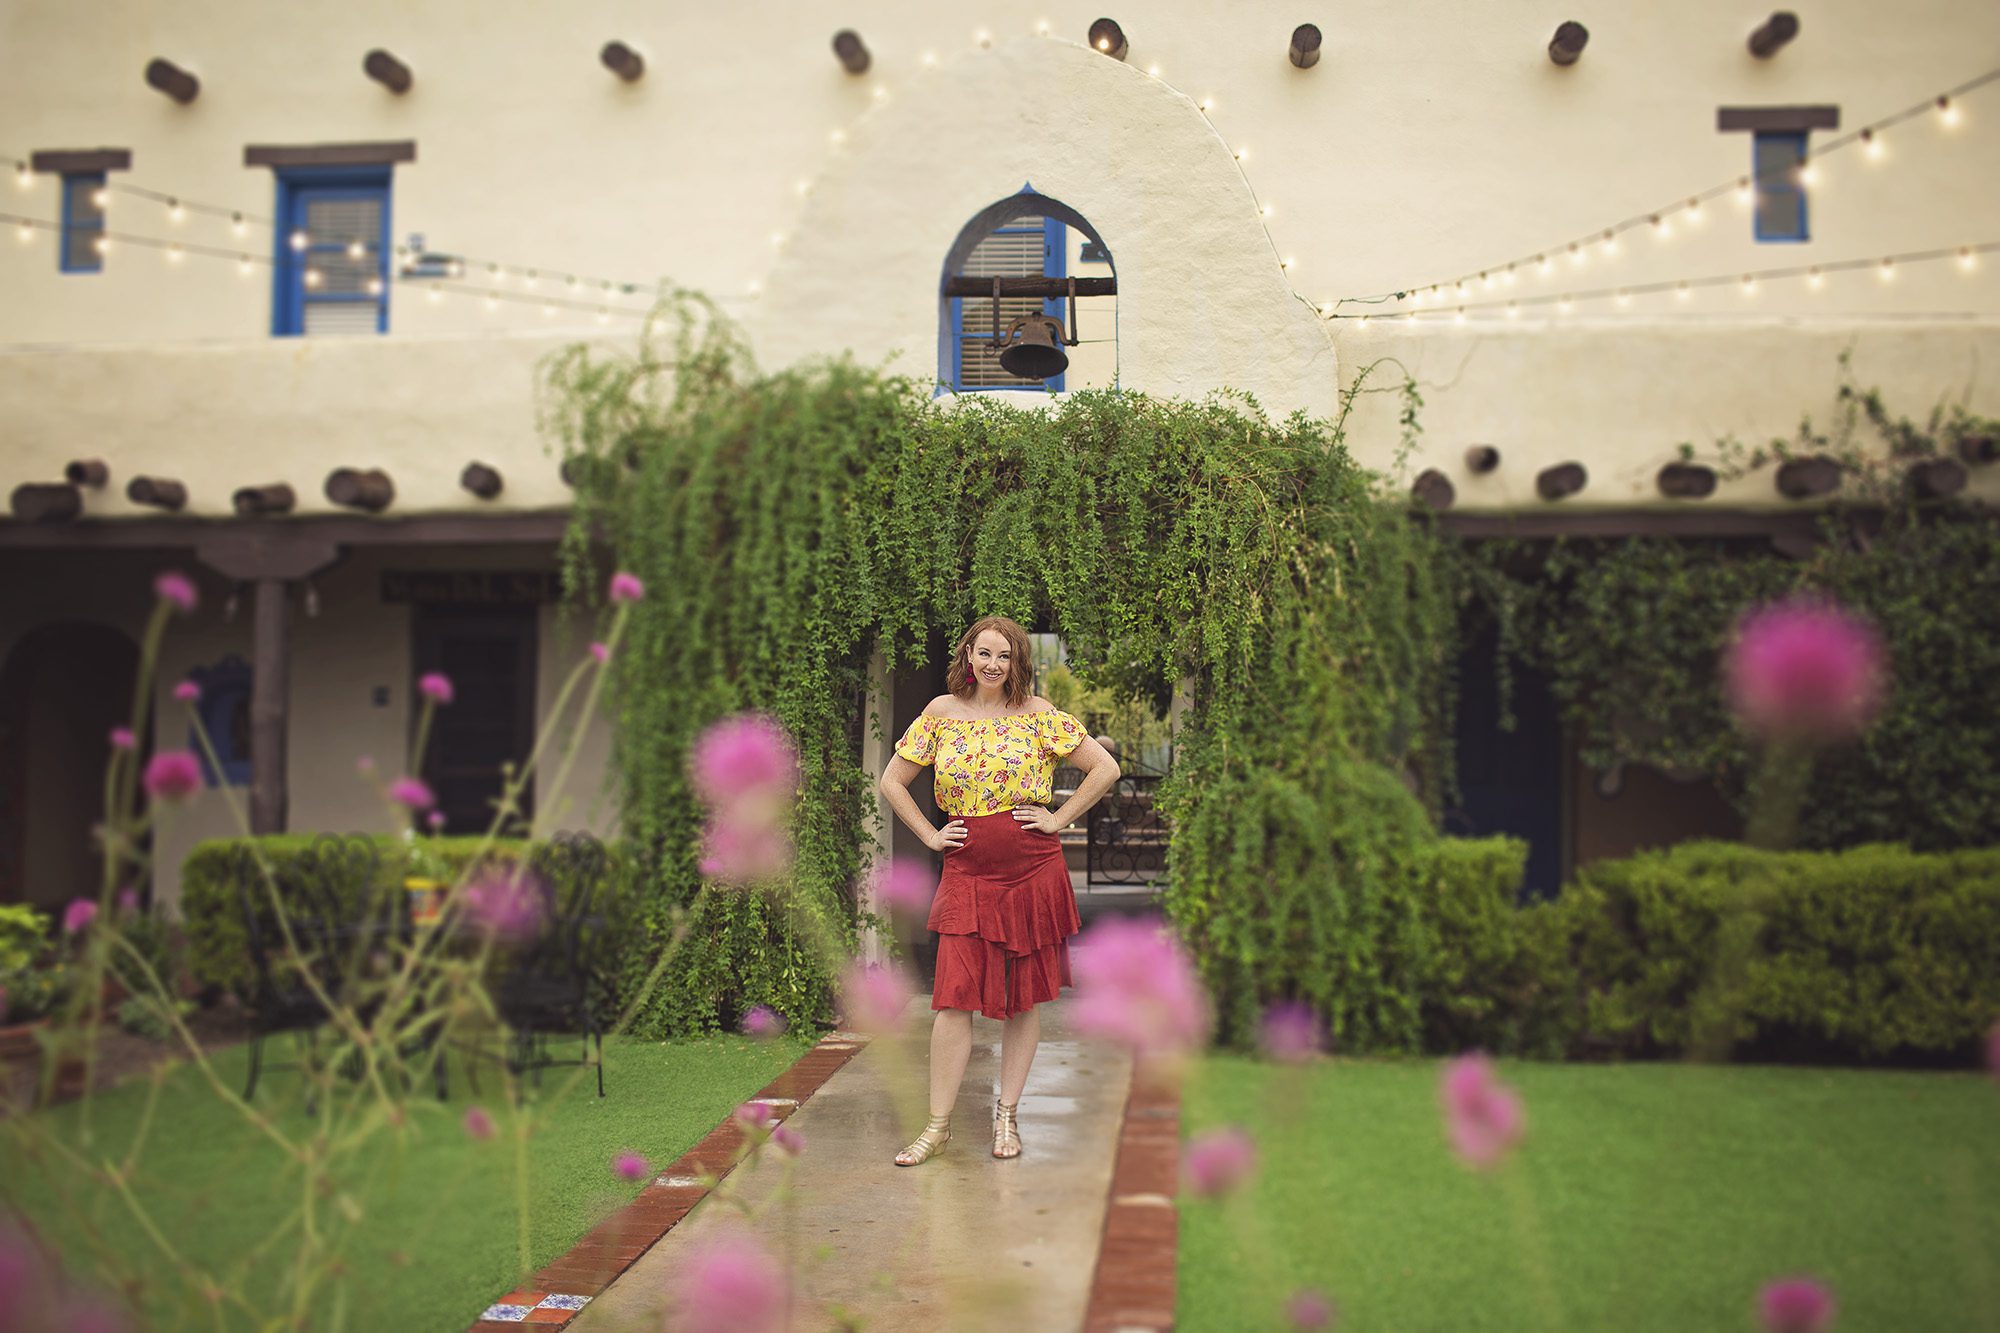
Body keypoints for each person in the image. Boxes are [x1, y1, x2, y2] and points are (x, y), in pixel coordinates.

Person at [877, 615, 1121, 1165]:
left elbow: (1105, 768)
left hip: (1034, 870)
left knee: (1022, 1000)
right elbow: (892, 781)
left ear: (1017, 663)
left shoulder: (1038, 716)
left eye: (1004, 656)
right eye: (982, 654)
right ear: (967, 657)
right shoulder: (940, 713)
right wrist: (930, 835)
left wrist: (1060, 818)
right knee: (953, 1000)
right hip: (966, 872)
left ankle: (1006, 1116)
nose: (992, 665)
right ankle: (937, 1127)